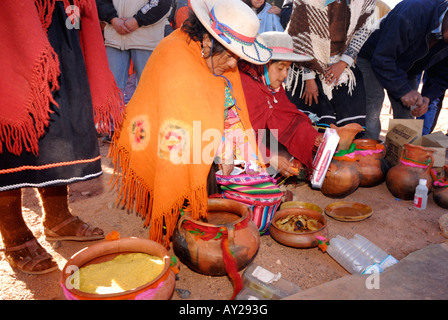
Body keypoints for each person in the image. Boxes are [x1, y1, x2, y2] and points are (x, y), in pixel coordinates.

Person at [109, 0, 272, 247]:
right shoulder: (175, 54)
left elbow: (234, 116)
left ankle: (198, 203)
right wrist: (216, 150)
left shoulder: (219, 58)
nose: (232, 66)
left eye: (237, 59)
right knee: (191, 156)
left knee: (217, 163)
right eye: (230, 56)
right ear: (207, 40)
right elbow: (177, 132)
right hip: (165, 140)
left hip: (199, 139)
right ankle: (171, 209)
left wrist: (234, 155)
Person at [0, 0, 123, 274]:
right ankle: (13, 229)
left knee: (57, 120)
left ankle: (56, 216)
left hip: (59, 15)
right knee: (14, 117)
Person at [357, 0, 448, 140]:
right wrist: (403, 90)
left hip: (407, 69)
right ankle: (368, 153)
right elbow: (383, 58)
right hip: (373, 58)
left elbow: (442, 75)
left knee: (407, 119)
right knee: (373, 106)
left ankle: (400, 157)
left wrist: (427, 97)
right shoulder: (413, 11)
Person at [238, 31, 322, 178]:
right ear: (264, 64)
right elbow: (237, 134)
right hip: (237, 149)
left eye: (288, 69)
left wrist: (313, 138)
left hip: (260, 142)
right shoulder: (243, 84)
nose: (285, 75)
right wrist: (269, 158)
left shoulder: (272, 86)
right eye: (280, 68)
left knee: (291, 157)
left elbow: (290, 116)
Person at [284, 0, 376, 133]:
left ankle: (340, 152)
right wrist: (309, 77)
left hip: (342, 62)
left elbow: (364, 30)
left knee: (348, 126)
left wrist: (343, 62)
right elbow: (300, 35)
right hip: (306, 63)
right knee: (309, 126)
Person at [96, 0, 172, 95]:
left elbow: (161, 3)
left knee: (150, 92)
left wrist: (137, 20)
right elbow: (101, 2)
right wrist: (113, 19)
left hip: (146, 41)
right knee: (112, 95)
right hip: (115, 39)